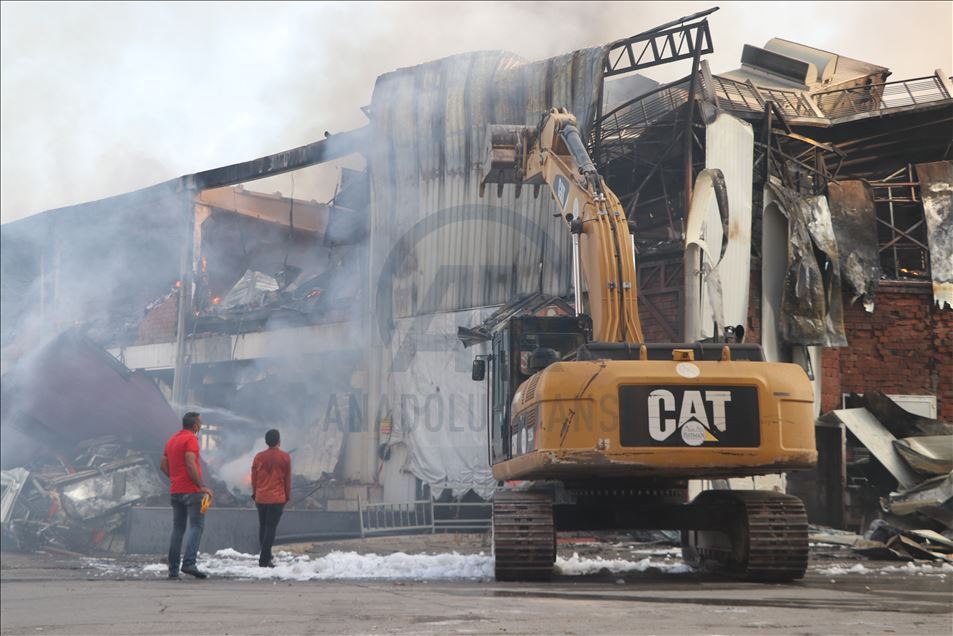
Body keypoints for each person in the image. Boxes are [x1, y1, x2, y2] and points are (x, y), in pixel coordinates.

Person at [160, 412, 213, 579]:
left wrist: (176, 478)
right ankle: (189, 563)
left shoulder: (172, 440)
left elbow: (163, 465)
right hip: (192, 491)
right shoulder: (191, 439)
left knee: (178, 529)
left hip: (176, 491)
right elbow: (190, 462)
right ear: (195, 426)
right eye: (200, 423)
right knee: (196, 526)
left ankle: (173, 570)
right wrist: (201, 486)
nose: (201, 426)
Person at [251, 429, 292, 568]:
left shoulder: (258, 457)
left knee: (263, 526)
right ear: (279, 441)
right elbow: (287, 479)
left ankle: (266, 554)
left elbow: (254, 478)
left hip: (261, 498)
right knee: (270, 528)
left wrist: (254, 493)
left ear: (266, 442)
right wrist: (287, 496)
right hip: (277, 498)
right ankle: (264, 559)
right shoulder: (285, 457)